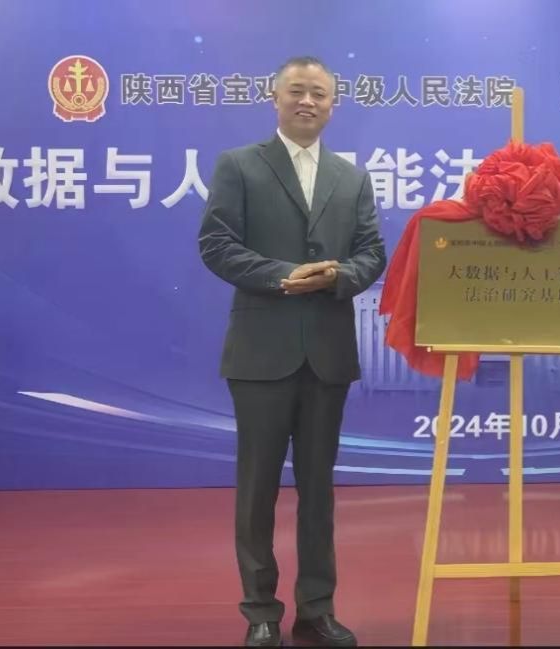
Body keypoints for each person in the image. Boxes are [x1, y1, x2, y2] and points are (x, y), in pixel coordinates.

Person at [198, 55, 386, 648]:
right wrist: (282, 275)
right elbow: (216, 243)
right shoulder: (239, 165)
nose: (308, 101)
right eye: (297, 91)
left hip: (327, 354)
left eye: (319, 94)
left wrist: (337, 276)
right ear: (275, 97)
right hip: (260, 353)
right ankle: (260, 611)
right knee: (256, 488)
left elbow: (372, 251)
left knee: (319, 490)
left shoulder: (351, 177)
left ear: (333, 105)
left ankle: (317, 608)